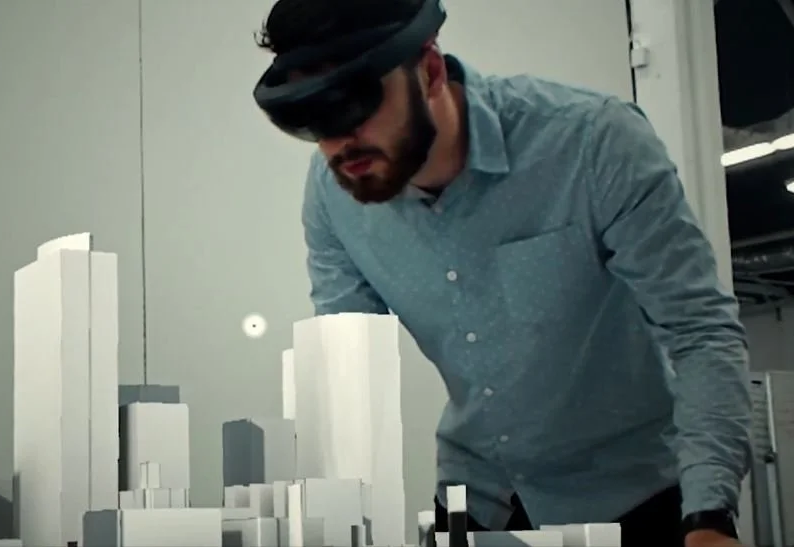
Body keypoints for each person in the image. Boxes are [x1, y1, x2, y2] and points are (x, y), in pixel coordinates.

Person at [251, 0, 753, 546]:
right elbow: (345, 368)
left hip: (632, 500)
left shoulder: (592, 142)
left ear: (431, 71)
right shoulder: (332, 196)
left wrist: (709, 515)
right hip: (476, 500)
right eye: (312, 119)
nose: (340, 143)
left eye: (353, 104)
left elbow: (700, 331)